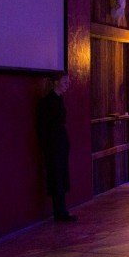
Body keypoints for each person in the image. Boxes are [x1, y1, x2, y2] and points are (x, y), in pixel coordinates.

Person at [36, 74, 76, 222]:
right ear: (55, 82)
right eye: (65, 82)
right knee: (56, 175)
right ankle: (59, 211)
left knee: (62, 174)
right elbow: (43, 127)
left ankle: (62, 209)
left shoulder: (59, 99)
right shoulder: (47, 102)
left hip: (60, 141)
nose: (68, 84)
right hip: (53, 143)